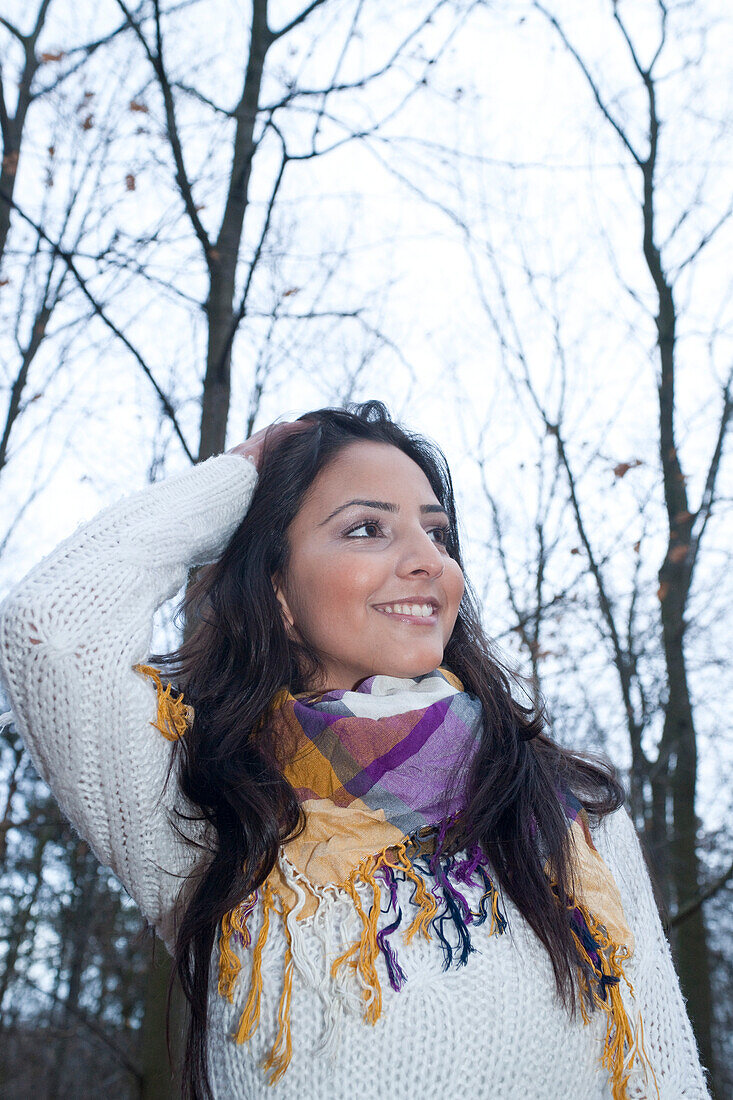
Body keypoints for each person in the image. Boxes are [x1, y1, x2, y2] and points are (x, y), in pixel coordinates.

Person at [0, 402, 711, 1100]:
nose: (426, 561)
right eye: (368, 528)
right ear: (279, 590)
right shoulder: (210, 810)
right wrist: (246, 472)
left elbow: (664, 1073)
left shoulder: (568, 814)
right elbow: (50, 628)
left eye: (437, 533)